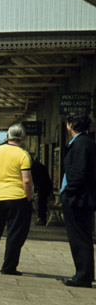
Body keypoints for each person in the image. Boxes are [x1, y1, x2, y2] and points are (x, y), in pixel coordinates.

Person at [0, 123, 33, 275]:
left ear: (7, 136)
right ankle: (9, 267)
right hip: (17, 198)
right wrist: (29, 197)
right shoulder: (24, 155)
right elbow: (27, 181)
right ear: (23, 138)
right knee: (15, 233)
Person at [60, 113, 96, 288]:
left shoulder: (81, 144)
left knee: (79, 237)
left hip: (78, 199)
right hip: (81, 197)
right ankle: (83, 273)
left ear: (70, 125)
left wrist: (68, 191)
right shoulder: (86, 143)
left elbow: (78, 172)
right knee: (82, 236)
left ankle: (82, 276)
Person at [31, 159, 52, 225]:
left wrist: (36, 187)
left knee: (41, 202)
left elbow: (36, 178)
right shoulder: (38, 165)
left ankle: (42, 218)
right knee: (42, 202)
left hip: (42, 187)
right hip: (45, 186)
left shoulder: (35, 167)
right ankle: (42, 218)